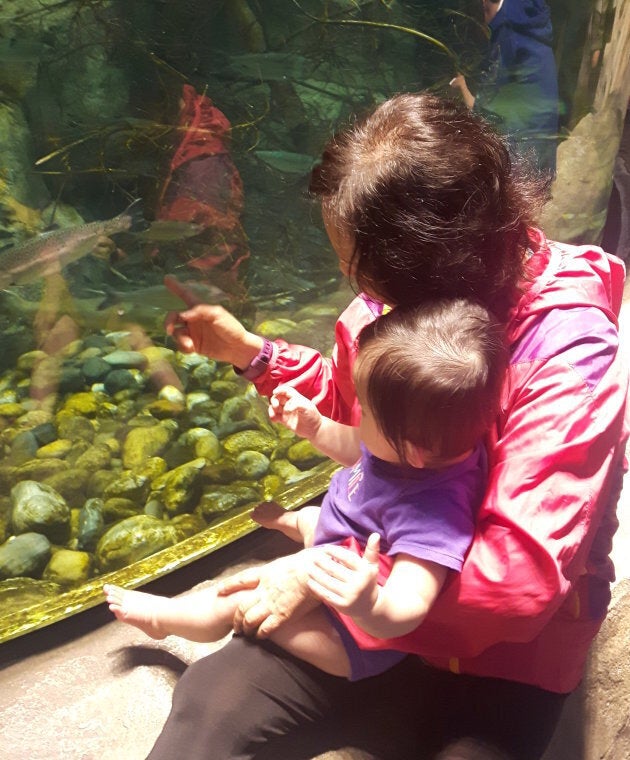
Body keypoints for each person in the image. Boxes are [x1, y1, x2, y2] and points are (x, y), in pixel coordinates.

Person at [146, 92, 627, 759]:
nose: (354, 281)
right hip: (368, 597)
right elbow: (364, 412)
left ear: (432, 266)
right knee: (209, 708)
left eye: (357, 264)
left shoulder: (566, 347)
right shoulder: (396, 305)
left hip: (507, 656)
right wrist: (255, 356)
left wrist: (323, 573)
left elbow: (515, 584)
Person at [105, 299, 507, 684]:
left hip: (352, 639)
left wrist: (369, 603)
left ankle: (171, 620)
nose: (358, 417)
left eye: (366, 413)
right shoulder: (414, 447)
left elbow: (409, 605)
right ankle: (292, 523)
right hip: (341, 545)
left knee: (242, 598)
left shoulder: (436, 513)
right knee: (316, 517)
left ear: (412, 452)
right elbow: (359, 449)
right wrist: (316, 428)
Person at [450, 0, 559, 175]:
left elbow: (482, 111)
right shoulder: (531, 18)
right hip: (544, 137)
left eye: (484, 11)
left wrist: (461, 86)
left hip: (523, 149)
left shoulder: (507, 35)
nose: (485, 22)